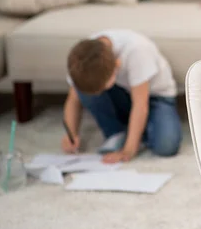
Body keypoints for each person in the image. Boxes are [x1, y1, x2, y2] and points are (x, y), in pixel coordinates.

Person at [61, 29, 182, 163]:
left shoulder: (136, 51)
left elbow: (140, 105)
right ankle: (119, 132)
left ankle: (136, 132)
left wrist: (128, 151)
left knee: (166, 146)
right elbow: (73, 99)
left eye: (103, 87)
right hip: (122, 94)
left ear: (117, 65)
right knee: (83, 91)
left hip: (155, 98)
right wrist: (71, 134)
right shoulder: (81, 59)